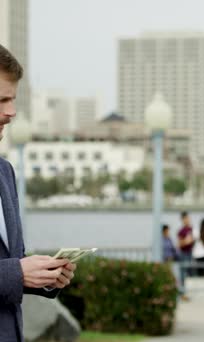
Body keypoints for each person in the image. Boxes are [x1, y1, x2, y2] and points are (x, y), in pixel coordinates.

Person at [0, 43, 77, 341]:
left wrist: (45, 276)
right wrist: (18, 273)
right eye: (2, 100)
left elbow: (12, 260)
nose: (12, 112)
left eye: (13, 100)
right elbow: (12, 270)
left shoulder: (5, 173)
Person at [177, 211, 195, 276]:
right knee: (183, 271)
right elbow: (179, 244)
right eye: (186, 218)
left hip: (191, 253)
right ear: (182, 219)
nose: (188, 220)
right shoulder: (181, 231)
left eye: (188, 218)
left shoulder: (192, 229)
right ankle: (182, 285)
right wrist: (186, 241)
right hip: (184, 253)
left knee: (191, 272)